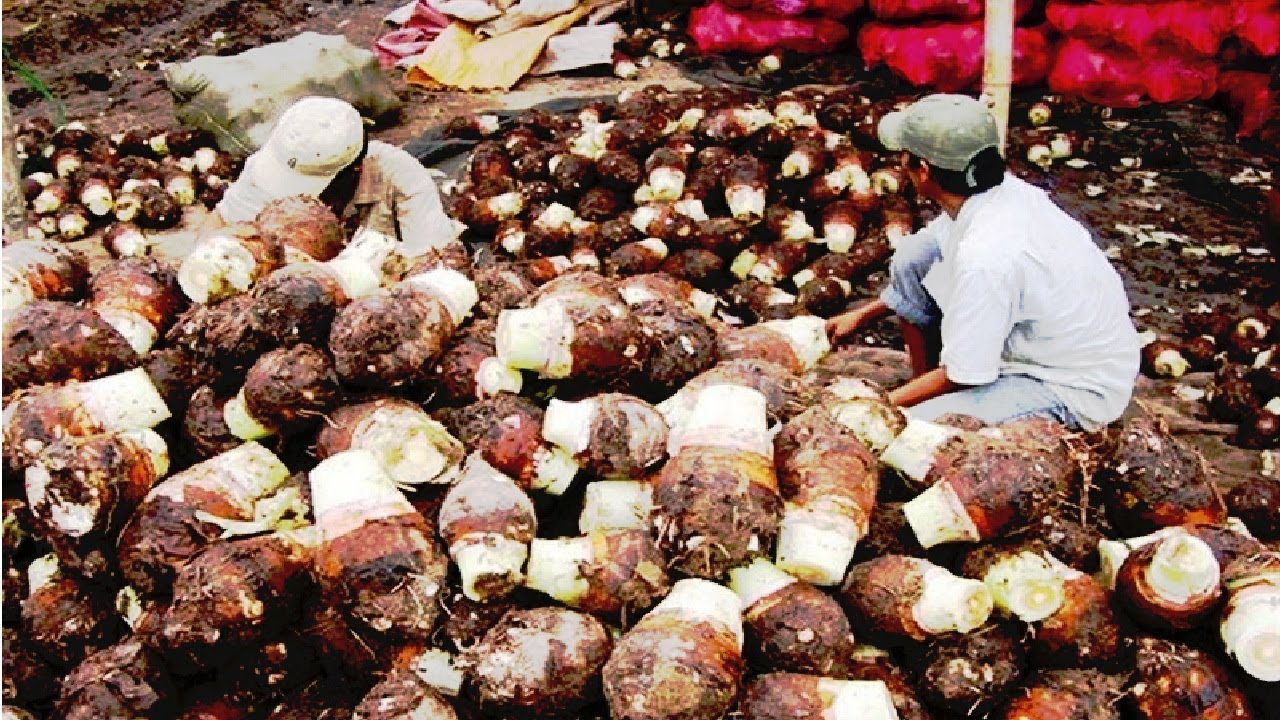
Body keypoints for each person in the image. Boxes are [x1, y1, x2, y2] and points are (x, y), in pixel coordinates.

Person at [827, 93, 1139, 431]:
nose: (899, 163)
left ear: (923, 171)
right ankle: (926, 386)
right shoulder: (995, 193)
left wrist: (878, 406)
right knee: (914, 255)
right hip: (1038, 344)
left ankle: (933, 403)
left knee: (900, 430)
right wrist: (862, 316)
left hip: (1068, 385)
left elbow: (964, 373)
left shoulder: (987, 257)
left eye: (904, 156)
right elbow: (922, 259)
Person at [200, 95, 460, 256]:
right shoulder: (268, 166)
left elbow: (432, 257)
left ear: (355, 168)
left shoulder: (399, 173)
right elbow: (217, 224)